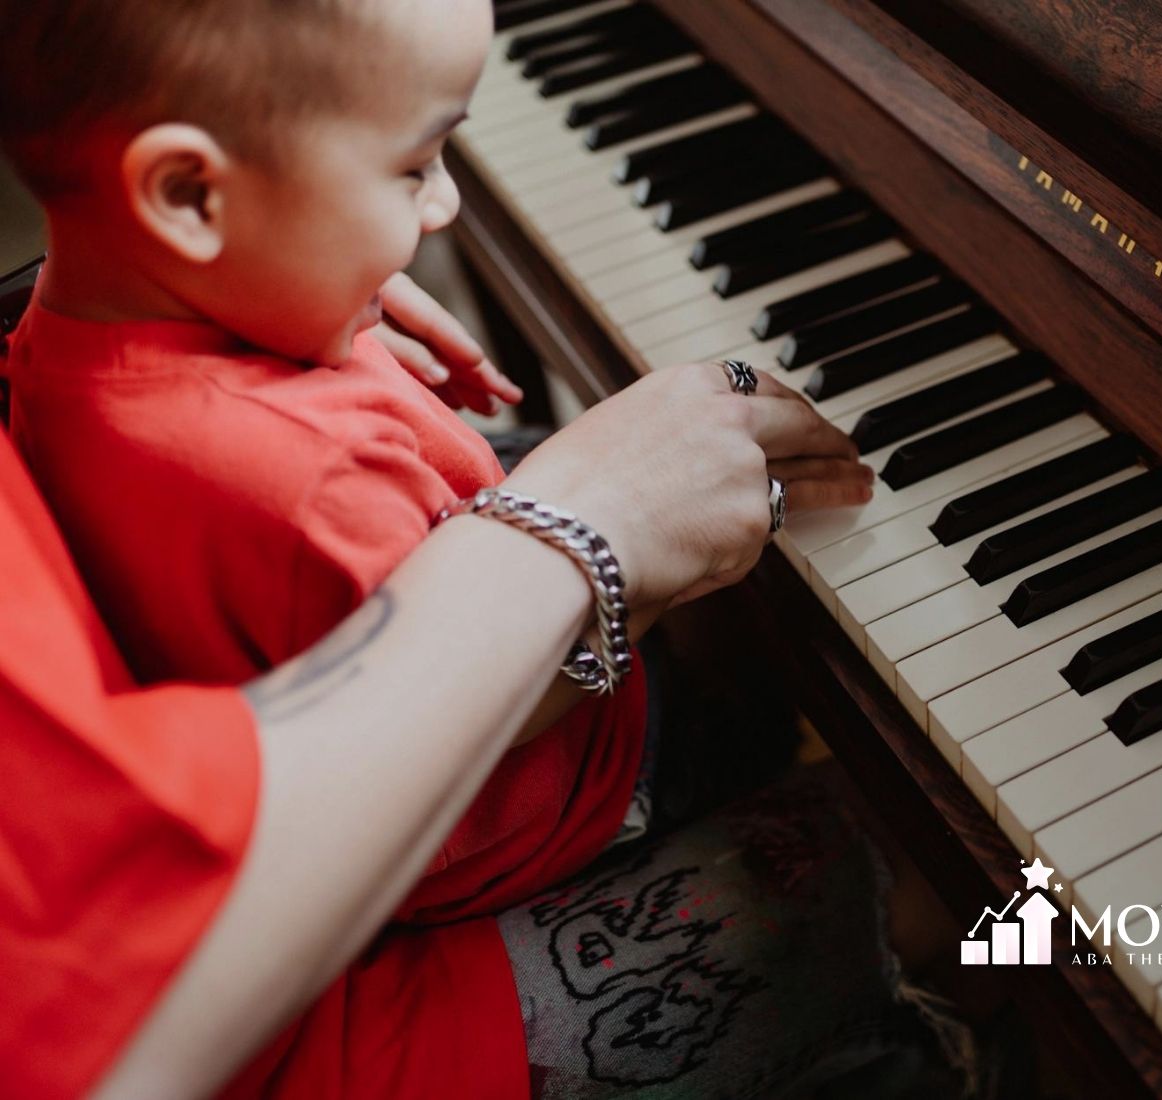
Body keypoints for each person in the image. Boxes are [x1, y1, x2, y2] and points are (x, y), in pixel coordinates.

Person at [0, 0, 977, 1096]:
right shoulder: (308, 476)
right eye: (415, 165)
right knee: (935, 849)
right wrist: (648, 585)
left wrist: (304, 251)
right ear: (188, 195)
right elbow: (508, 702)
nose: (447, 199)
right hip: (540, 800)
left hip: (296, 690)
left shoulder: (69, 323)